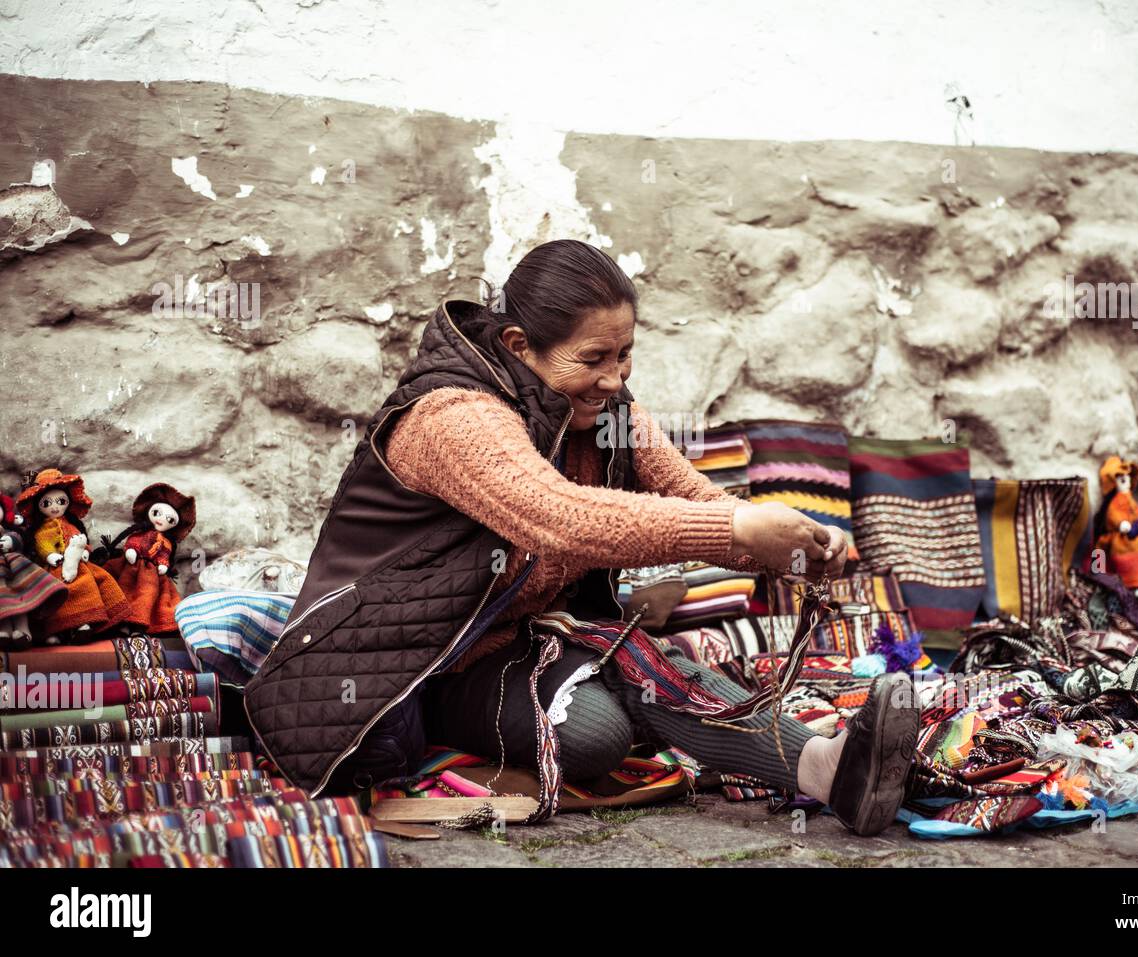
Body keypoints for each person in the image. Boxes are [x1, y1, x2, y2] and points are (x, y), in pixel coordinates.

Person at [245, 239, 918, 836]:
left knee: (640, 666)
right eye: (593, 358)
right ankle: (817, 763)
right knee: (597, 732)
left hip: (505, 649)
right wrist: (739, 529)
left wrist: (793, 546)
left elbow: (697, 502)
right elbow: (557, 516)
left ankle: (826, 768)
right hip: (398, 673)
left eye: (625, 355)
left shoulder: (606, 411)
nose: (615, 379)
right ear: (519, 347)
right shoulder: (453, 416)